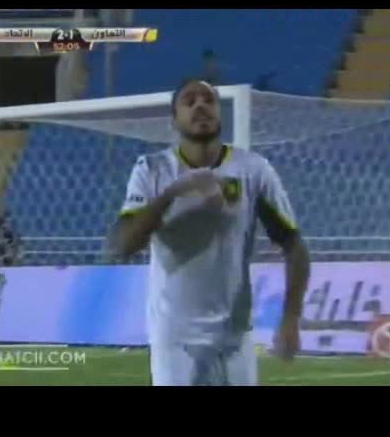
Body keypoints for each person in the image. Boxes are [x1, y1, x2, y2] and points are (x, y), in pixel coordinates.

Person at [111, 79, 310, 386]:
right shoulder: (151, 170)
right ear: (174, 119)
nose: (200, 105)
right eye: (189, 101)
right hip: (174, 336)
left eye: (208, 99)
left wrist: (291, 319)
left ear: (220, 113)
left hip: (235, 334)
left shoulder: (253, 169)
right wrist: (173, 193)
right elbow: (123, 245)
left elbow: (294, 245)